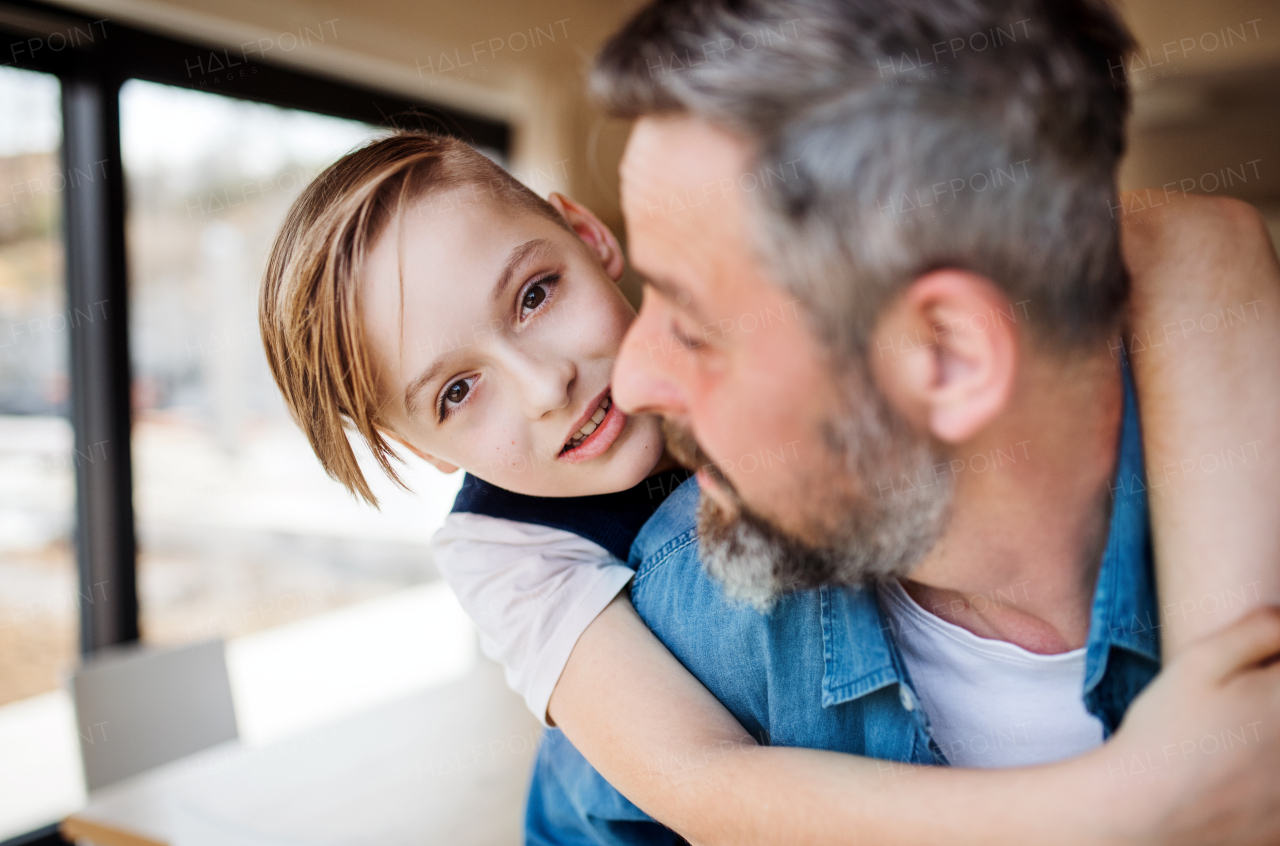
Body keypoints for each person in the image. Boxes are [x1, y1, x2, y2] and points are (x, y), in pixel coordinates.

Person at [257, 122, 1280, 846]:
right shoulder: (503, 547)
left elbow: (1191, 239)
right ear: (429, 456)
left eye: (534, 294)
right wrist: (1126, 807)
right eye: (454, 394)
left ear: (588, 234)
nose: (544, 385)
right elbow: (702, 784)